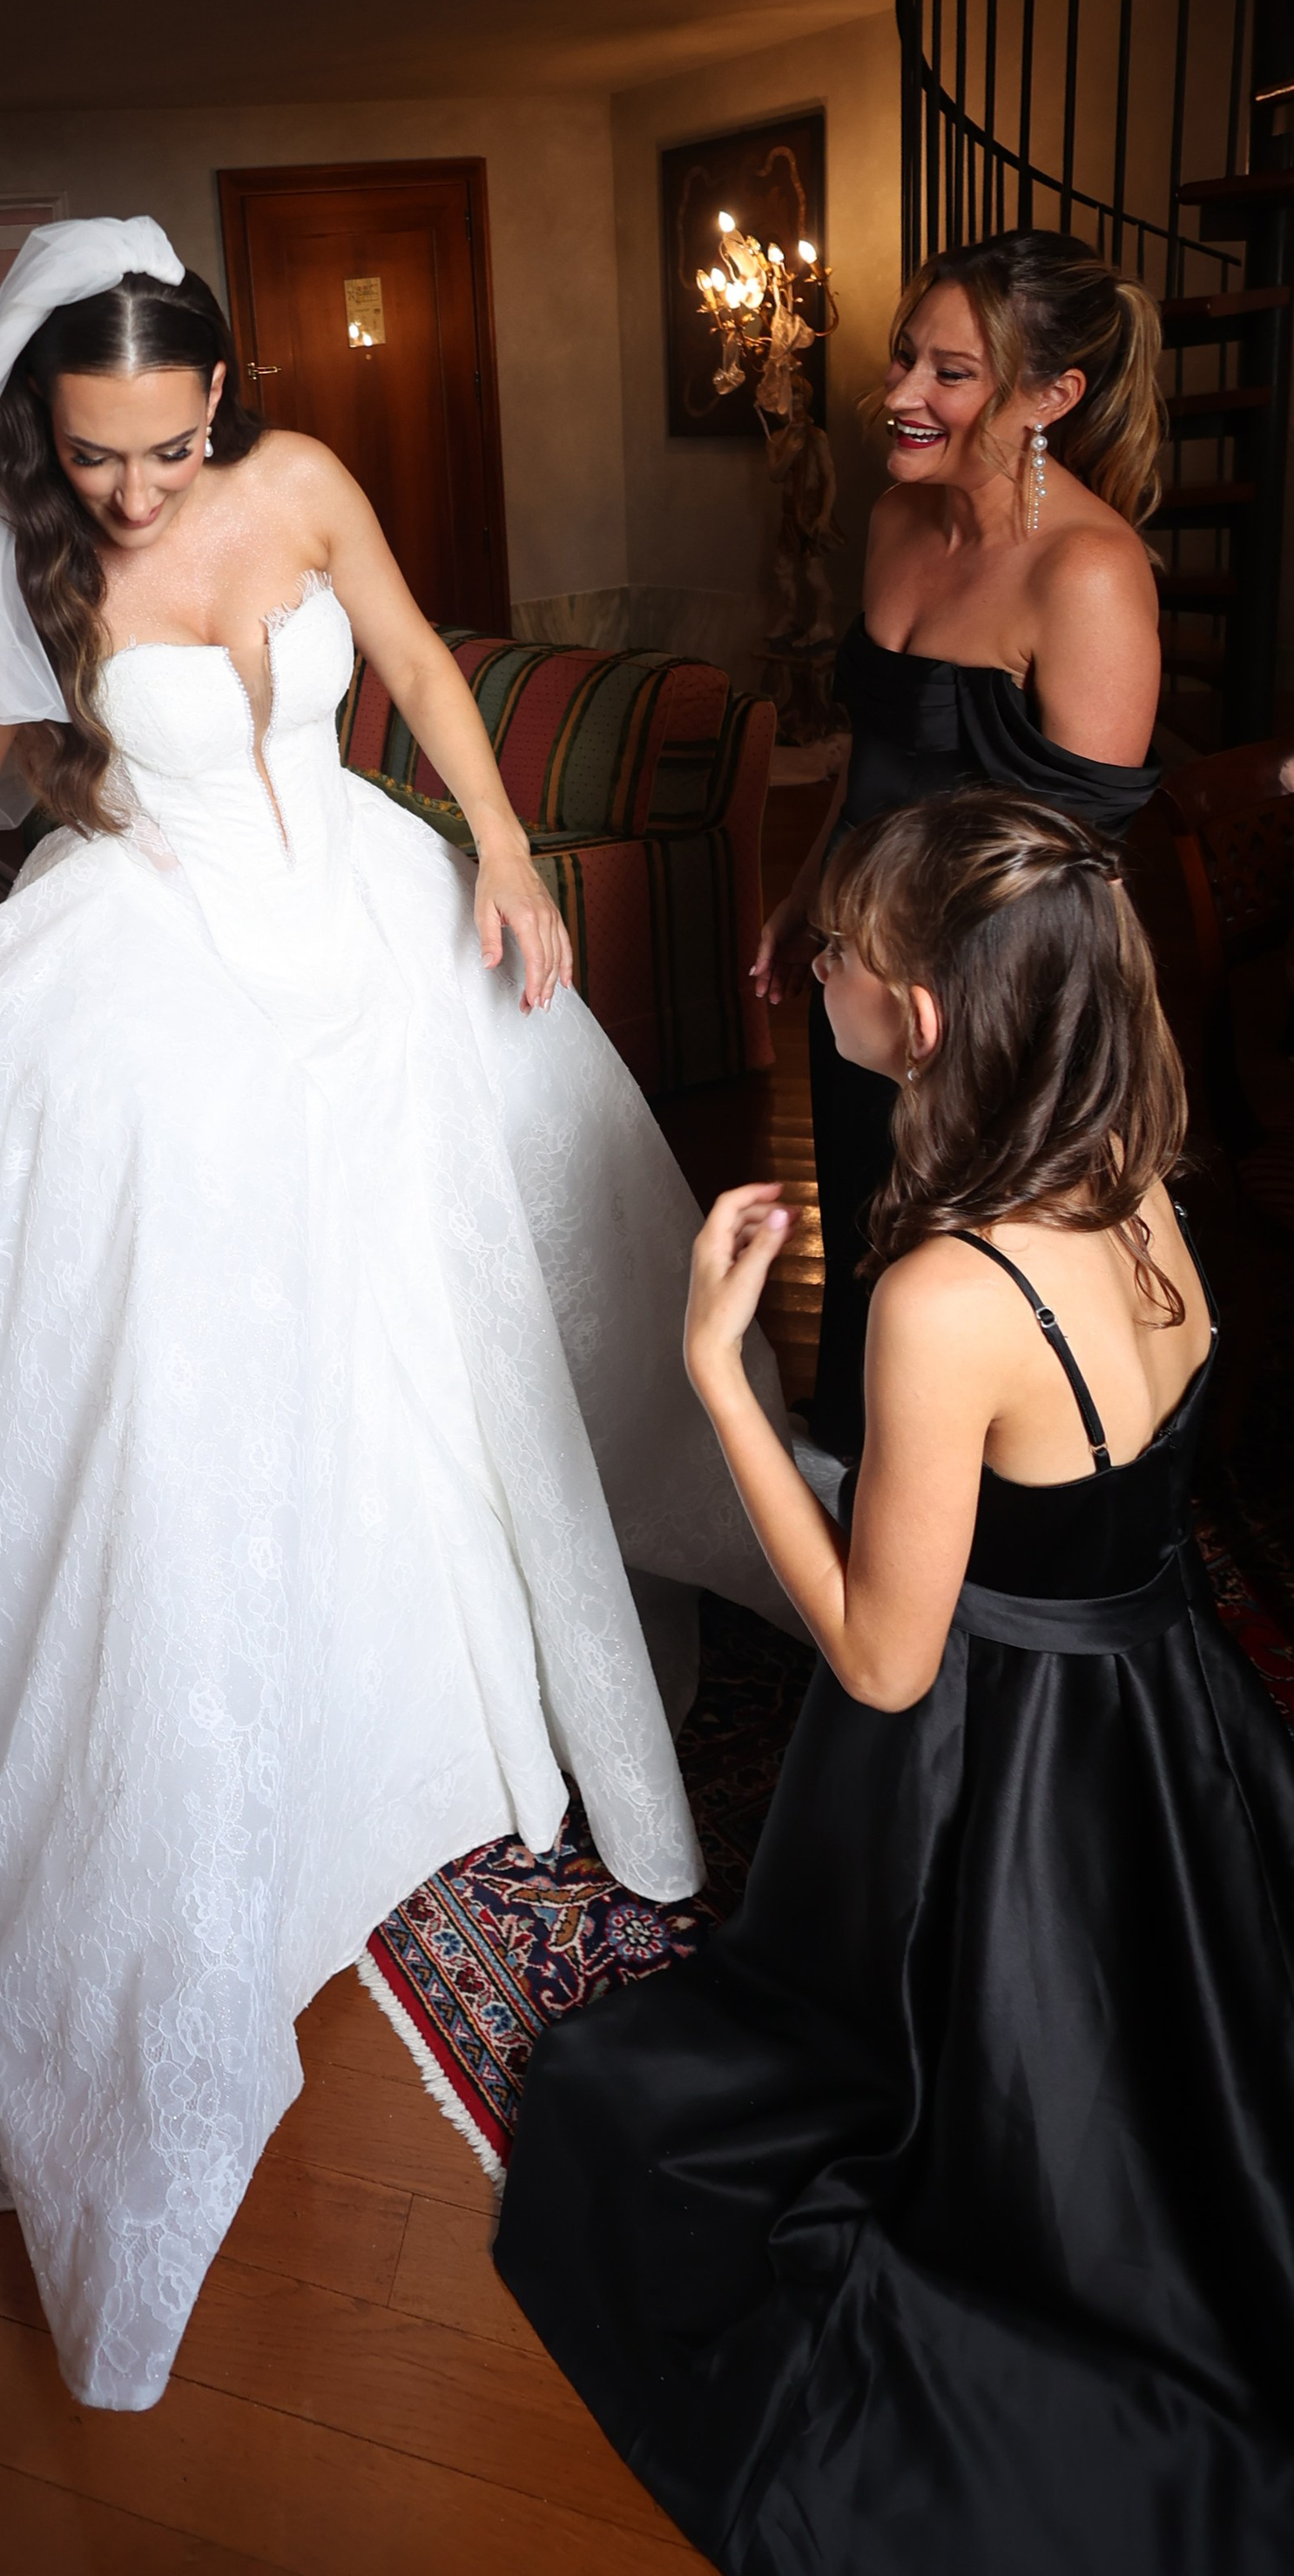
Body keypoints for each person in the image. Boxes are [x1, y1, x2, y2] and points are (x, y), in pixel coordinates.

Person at [0, 217, 795, 2411]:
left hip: (368, 940)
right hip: (163, 981)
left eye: (167, 447)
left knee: (459, 1325)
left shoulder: (303, 485)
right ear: (44, 429)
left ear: (219, 402)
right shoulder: (27, 560)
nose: (134, 489)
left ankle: (468, 1687)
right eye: (94, 454)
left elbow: (417, 664)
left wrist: (495, 841)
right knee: (203, 1380)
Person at [495, 788, 1294, 2572]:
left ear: (917, 1018)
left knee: (650, 2122)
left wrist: (719, 1377)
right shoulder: (1136, 1170)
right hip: (1172, 1727)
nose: (812, 976)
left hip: (1017, 1782)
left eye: (837, 955)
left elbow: (879, 1656)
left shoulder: (947, 1294)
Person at [752, 232, 1163, 1453]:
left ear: (1050, 396)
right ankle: (855, 1487)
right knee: (864, 1237)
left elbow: (1075, 864)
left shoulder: (1090, 572)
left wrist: (949, 1008)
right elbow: (872, 758)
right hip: (860, 972)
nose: (901, 394)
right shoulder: (892, 519)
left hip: (989, 1010)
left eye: (952, 373)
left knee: (958, 1289)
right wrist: (809, 896)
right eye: (902, 359)